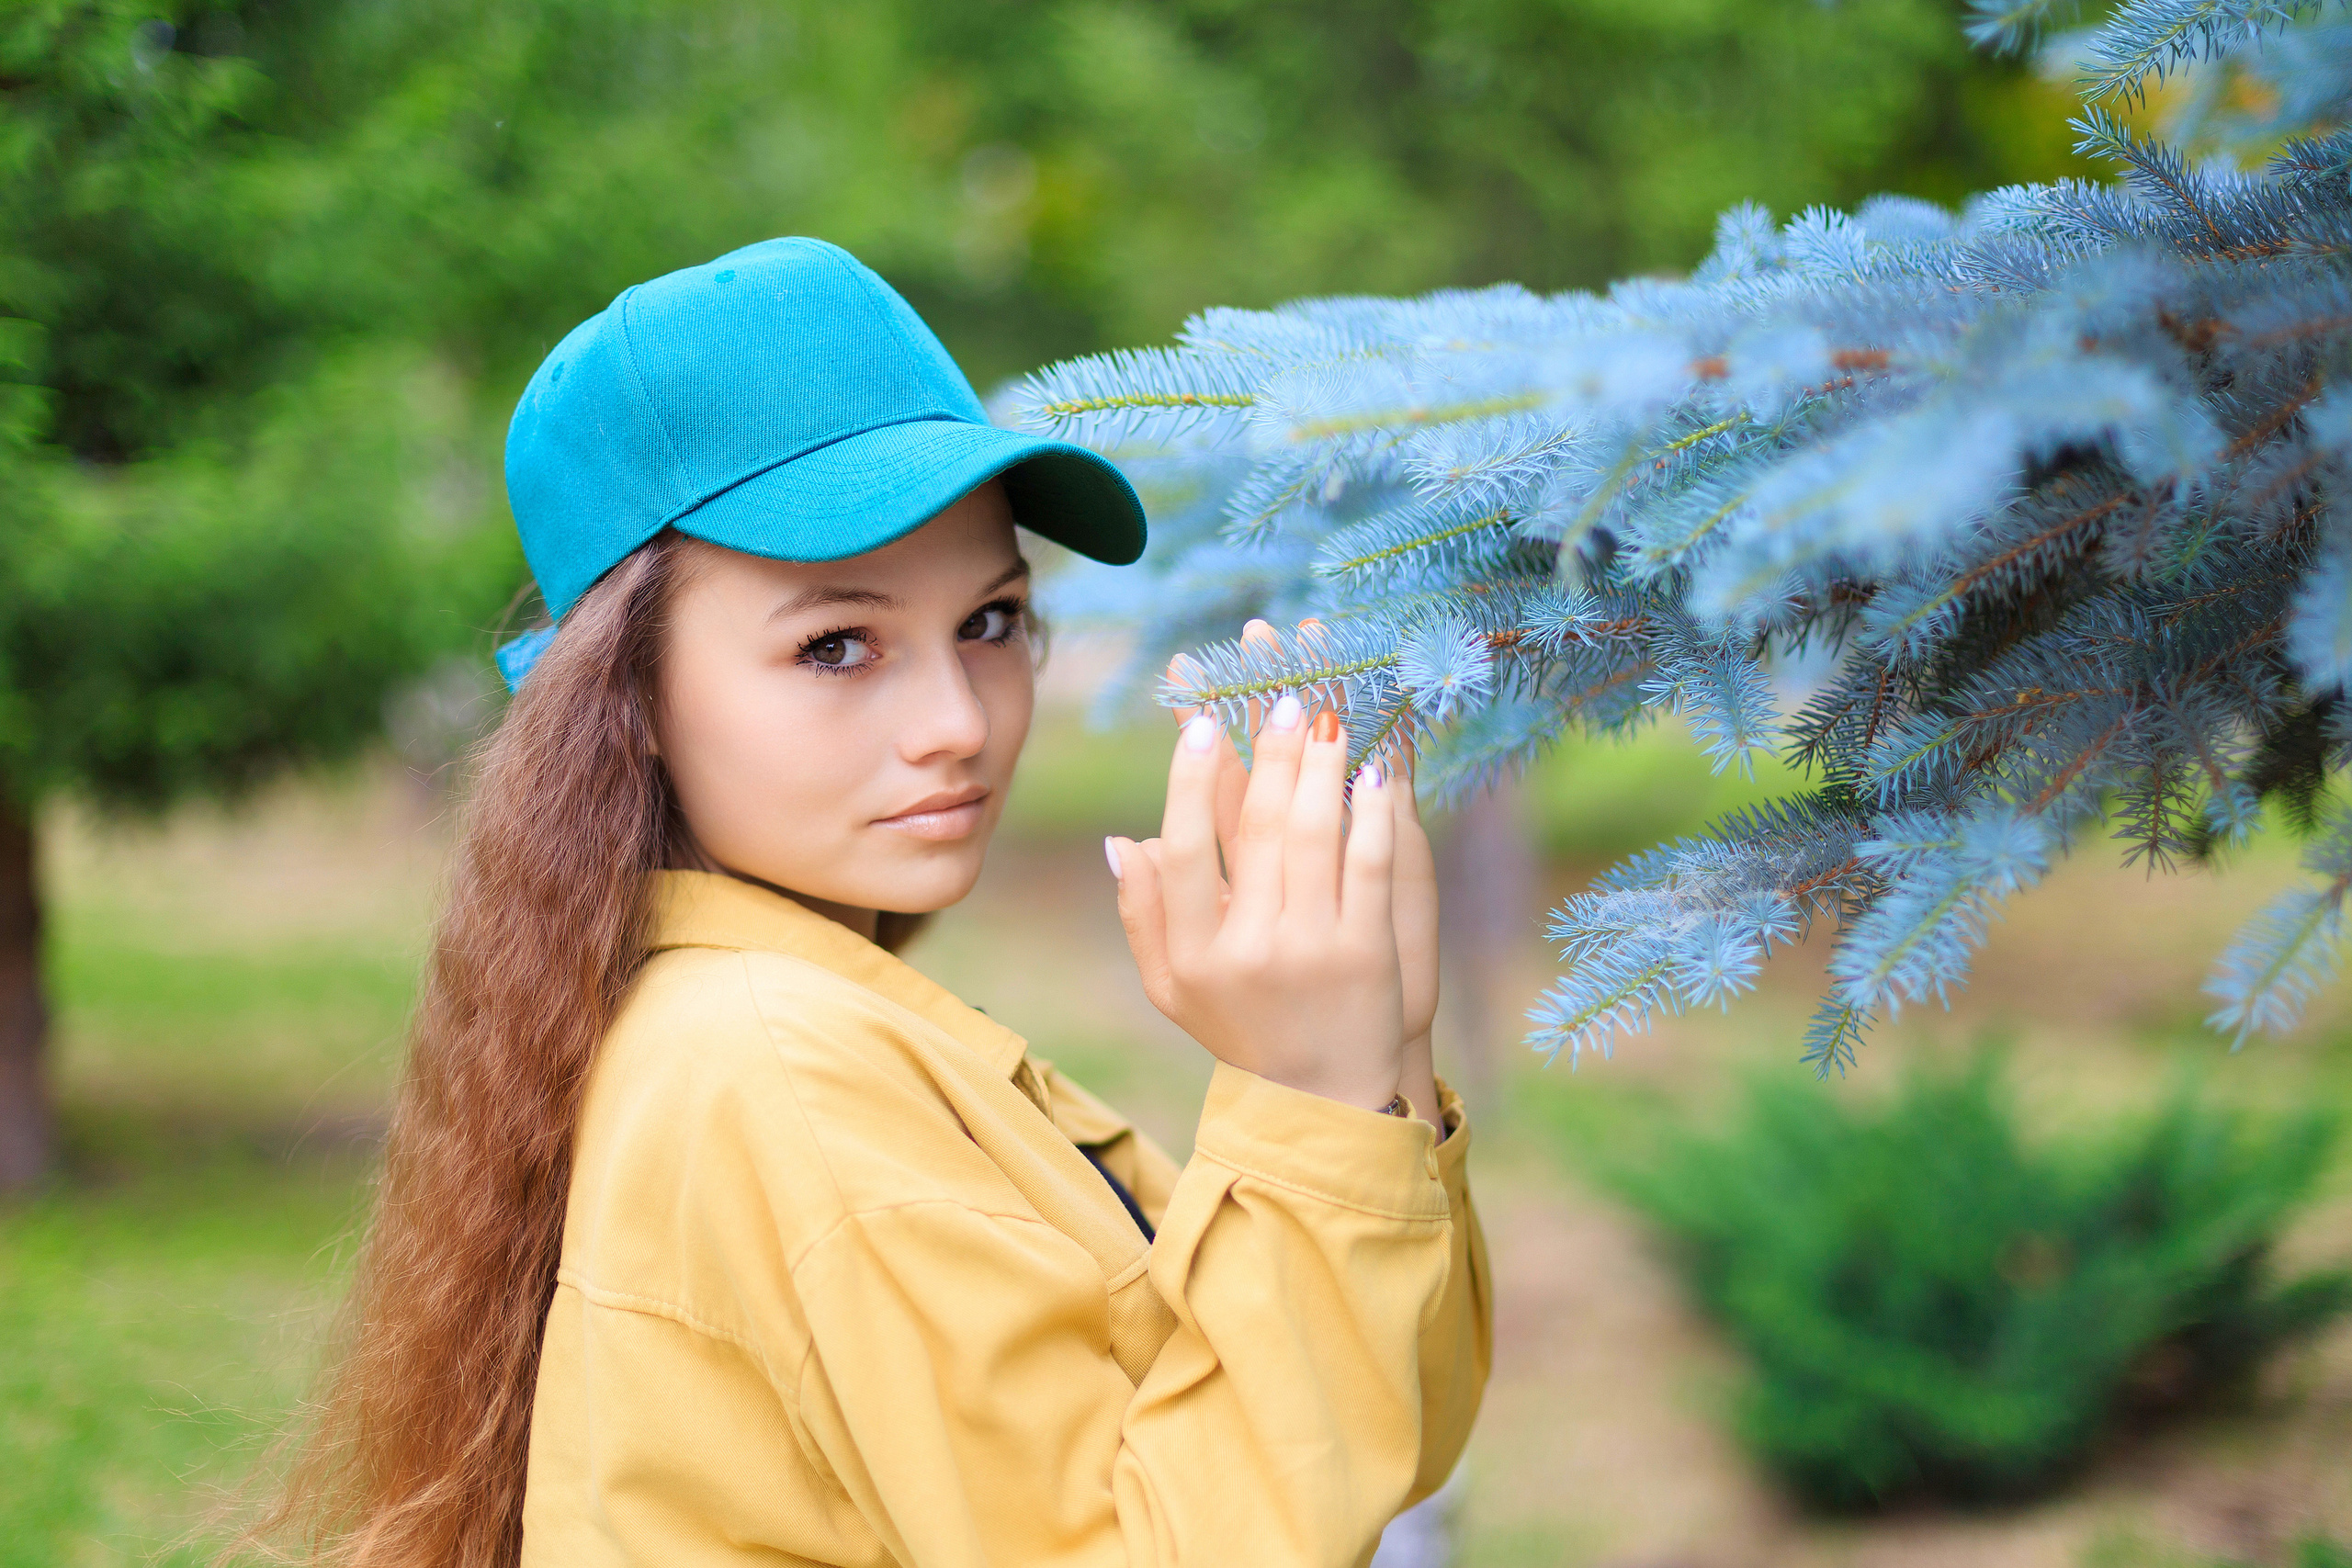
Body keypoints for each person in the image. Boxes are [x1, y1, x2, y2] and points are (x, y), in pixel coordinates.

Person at [259, 237, 1489, 1568]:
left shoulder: (773, 1023)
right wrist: (1306, 1098)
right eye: (835, 645)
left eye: (991, 622)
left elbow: (1370, 1444)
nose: (957, 722)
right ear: (624, 702)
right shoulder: (778, 1072)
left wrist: (1378, 1080)